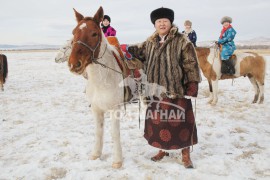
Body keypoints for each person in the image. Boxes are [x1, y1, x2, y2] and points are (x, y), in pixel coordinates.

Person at [127, 7, 201, 168]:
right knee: (159, 123)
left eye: (164, 21)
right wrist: (126, 50)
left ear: (170, 22)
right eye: (158, 21)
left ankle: (185, 154)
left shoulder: (182, 40)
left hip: (176, 90)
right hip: (155, 91)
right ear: (154, 24)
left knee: (180, 122)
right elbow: (137, 54)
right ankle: (162, 149)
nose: (161, 24)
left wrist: (192, 84)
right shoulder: (149, 42)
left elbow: (191, 64)